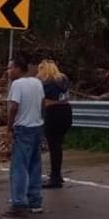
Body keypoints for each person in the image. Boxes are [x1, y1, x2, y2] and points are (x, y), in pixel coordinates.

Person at [7, 55, 46, 216]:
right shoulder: (37, 82)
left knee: (19, 166)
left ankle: (19, 203)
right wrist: (41, 119)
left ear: (17, 68)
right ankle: (35, 201)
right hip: (37, 126)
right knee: (35, 165)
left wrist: (9, 126)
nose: (8, 71)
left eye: (10, 68)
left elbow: (14, 106)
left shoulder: (17, 84)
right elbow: (43, 103)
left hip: (23, 128)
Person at [37, 59, 72, 189]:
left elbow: (42, 99)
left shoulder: (47, 82)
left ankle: (55, 177)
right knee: (58, 144)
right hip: (66, 112)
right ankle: (57, 174)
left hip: (53, 113)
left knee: (53, 146)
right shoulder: (63, 80)